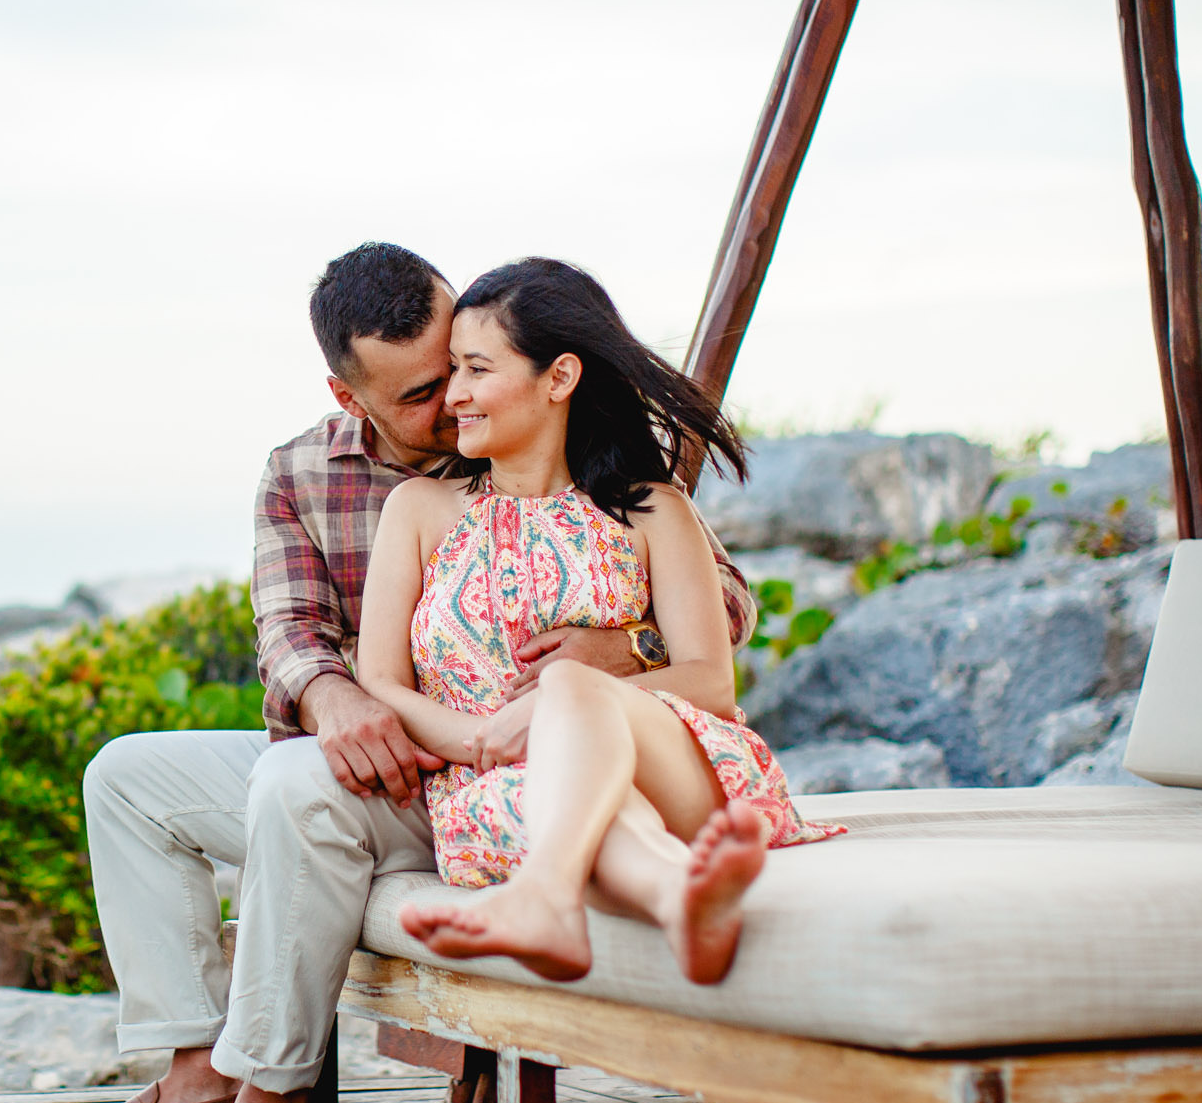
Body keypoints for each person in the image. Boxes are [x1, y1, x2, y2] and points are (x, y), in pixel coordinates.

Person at [36, 243, 758, 1103]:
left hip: (530, 748)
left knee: (297, 788)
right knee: (128, 777)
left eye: (461, 362)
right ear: (349, 395)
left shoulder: (568, 439)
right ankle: (196, 1072)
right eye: (422, 391)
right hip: (402, 746)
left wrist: (619, 645)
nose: (450, 404)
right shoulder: (309, 474)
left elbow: (724, 609)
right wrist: (337, 700)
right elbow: (291, 633)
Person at [356, 257, 841, 990]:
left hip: (682, 764)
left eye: (477, 370)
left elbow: (710, 682)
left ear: (559, 378)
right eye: (453, 369)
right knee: (575, 799)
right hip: (494, 788)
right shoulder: (419, 513)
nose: (454, 395)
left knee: (574, 689)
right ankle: (676, 895)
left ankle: (547, 901)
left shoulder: (652, 508)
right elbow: (380, 680)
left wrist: (557, 706)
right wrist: (490, 739)